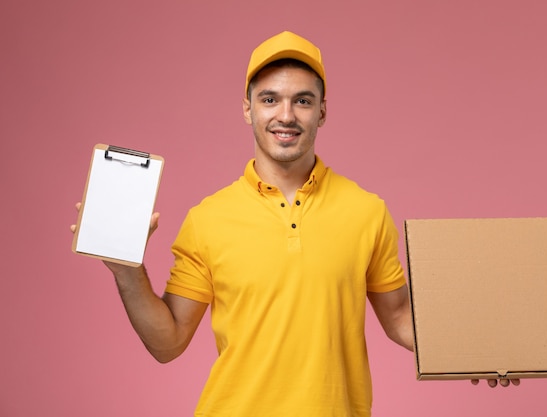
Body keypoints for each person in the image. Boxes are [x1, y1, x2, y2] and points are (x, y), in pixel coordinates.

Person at [72, 31, 517, 417]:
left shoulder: (366, 210)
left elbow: (399, 316)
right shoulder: (207, 219)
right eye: (270, 99)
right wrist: (128, 272)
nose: (286, 115)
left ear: (322, 112)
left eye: (302, 101)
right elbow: (167, 344)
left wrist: (474, 352)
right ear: (248, 110)